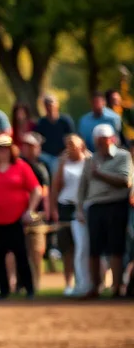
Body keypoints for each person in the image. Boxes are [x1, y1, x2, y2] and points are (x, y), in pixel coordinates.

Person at [76, 123, 133, 299]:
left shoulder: (123, 157)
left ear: (112, 139)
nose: (101, 144)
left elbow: (126, 181)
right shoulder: (91, 160)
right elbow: (83, 186)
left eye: (104, 140)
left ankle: (116, 287)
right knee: (95, 248)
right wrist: (79, 208)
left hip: (116, 204)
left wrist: (100, 175)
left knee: (116, 247)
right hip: (95, 206)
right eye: (98, 142)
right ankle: (96, 286)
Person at [0, 136, 41, 299]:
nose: (2, 151)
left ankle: (28, 289)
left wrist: (30, 210)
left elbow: (36, 189)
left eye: (6, 148)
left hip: (17, 219)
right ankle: (4, 290)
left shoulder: (21, 167)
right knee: (0, 256)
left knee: (21, 254)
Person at [49, 134, 90, 296]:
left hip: (84, 207)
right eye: (68, 144)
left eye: (73, 144)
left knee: (84, 247)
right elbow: (56, 187)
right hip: (65, 206)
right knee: (68, 248)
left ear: (81, 145)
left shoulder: (89, 160)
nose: (70, 147)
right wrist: (53, 209)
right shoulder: (63, 162)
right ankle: (68, 283)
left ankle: (85, 281)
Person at [19, 132, 51, 291]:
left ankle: (35, 284)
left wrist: (45, 212)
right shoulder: (17, 164)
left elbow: (44, 192)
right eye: (25, 145)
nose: (27, 149)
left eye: (31, 146)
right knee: (20, 253)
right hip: (17, 214)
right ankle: (19, 285)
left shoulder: (41, 167)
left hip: (36, 216)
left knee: (36, 252)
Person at [34, 94, 75, 177]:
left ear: (57, 105)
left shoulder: (65, 121)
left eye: (51, 104)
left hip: (64, 154)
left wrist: (65, 152)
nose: (49, 107)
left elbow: (72, 138)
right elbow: (38, 140)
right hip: (46, 155)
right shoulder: (41, 122)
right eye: (47, 105)